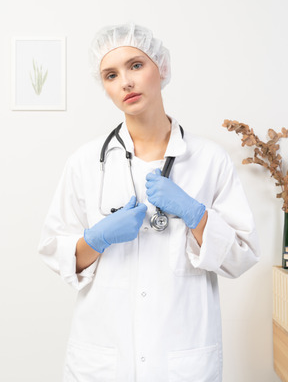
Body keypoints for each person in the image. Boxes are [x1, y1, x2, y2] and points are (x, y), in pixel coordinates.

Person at [38, 23, 260, 382]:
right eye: (111, 75)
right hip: (104, 358)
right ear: (105, 88)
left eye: (136, 66)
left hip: (182, 358)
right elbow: (55, 251)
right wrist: (97, 239)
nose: (125, 81)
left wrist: (196, 215)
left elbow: (242, 256)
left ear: (162, 68)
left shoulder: (209, 159)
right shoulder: (84, 162)